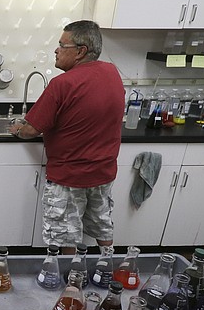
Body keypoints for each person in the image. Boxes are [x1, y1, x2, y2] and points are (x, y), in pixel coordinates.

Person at [8, 20, 125, 254]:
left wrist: (16, 128)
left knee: (65, 235)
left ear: (81, 51)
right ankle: (107, 269)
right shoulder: (112, 72)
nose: (56, 50)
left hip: (69, 177)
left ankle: (70, 280)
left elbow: (31, 129)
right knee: (103, 227)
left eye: (62, 45)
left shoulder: (62, 83)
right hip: (103, 173)